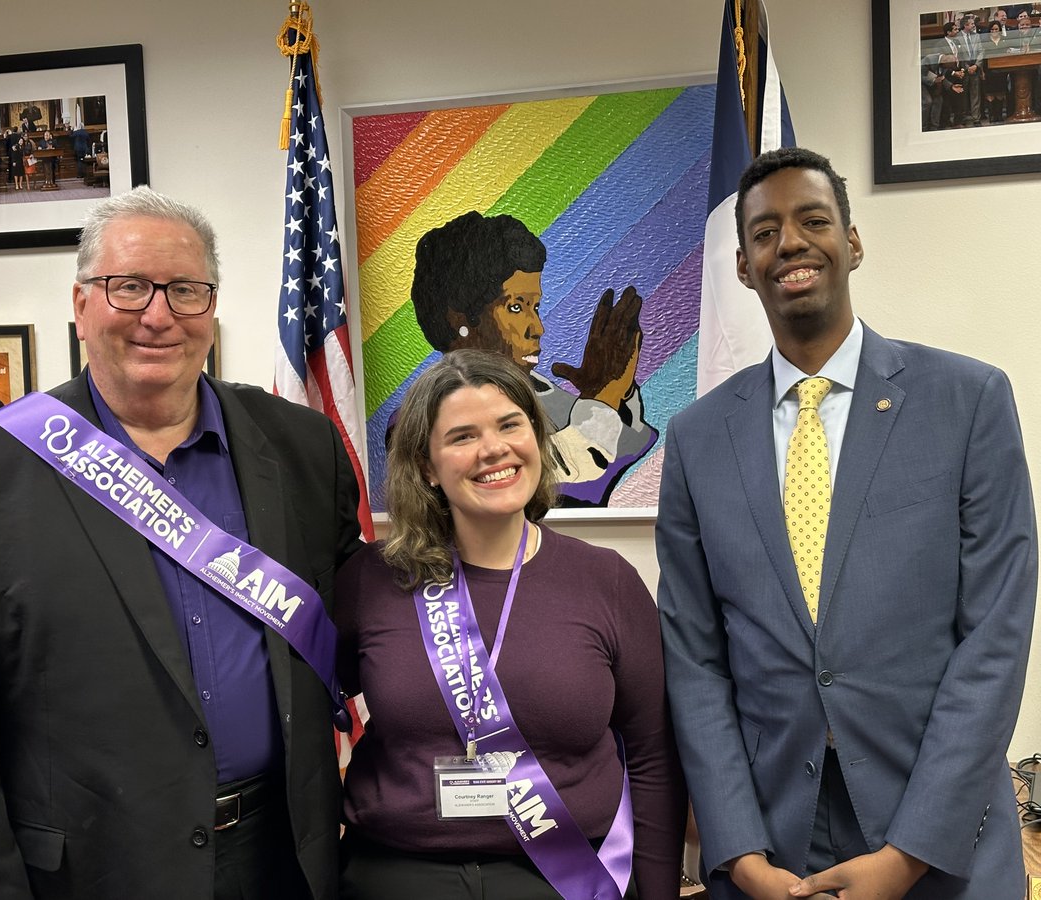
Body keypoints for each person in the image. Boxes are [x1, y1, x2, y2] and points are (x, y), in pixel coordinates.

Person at [0, 186, 363, 900]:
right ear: (81, 305)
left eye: (185, 290)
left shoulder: (300, 445)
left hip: (283, 861)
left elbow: (367, 625)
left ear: (211, 306)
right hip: (92, 872)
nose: (158, 314)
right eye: (129, 287)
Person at [656, 147, 1036, 899]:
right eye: (764, 233)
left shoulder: (968, 401)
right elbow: (695, 660)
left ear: (852, 242)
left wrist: (910, 853)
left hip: (940, 830)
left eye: (813, 220)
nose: (789, 243)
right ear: (742, 266)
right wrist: (737, 850)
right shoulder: (697, 439)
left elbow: (995, 638)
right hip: (773, 841)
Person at [336, 348, 685, 899]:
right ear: (426, 466)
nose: (493, 449)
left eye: (509, 425)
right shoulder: (371, 581)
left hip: (568, 878)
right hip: (397, 877)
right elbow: (303, 709)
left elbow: (651, 756)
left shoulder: (607, 581)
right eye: (461, 436)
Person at [410, 211, 658, 506]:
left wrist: (617, 390)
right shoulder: (418, 418)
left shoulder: (545, 395)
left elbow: (627, 447)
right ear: (460, 320)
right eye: (516, 307)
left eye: (535, 307)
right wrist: (602, 399)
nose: (537, 328)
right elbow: (547, 481)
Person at [982, 19, 1010, 122]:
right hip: (989, 71)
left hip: (1001, 71)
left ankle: (999, 115)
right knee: (990, 93)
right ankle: (992, 115)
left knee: (1000, 92)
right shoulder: (985, 41)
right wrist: (982, 71)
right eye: (992, 29)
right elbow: (982, 57)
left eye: (996, 29)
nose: (994, 31)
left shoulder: (1004, 40)